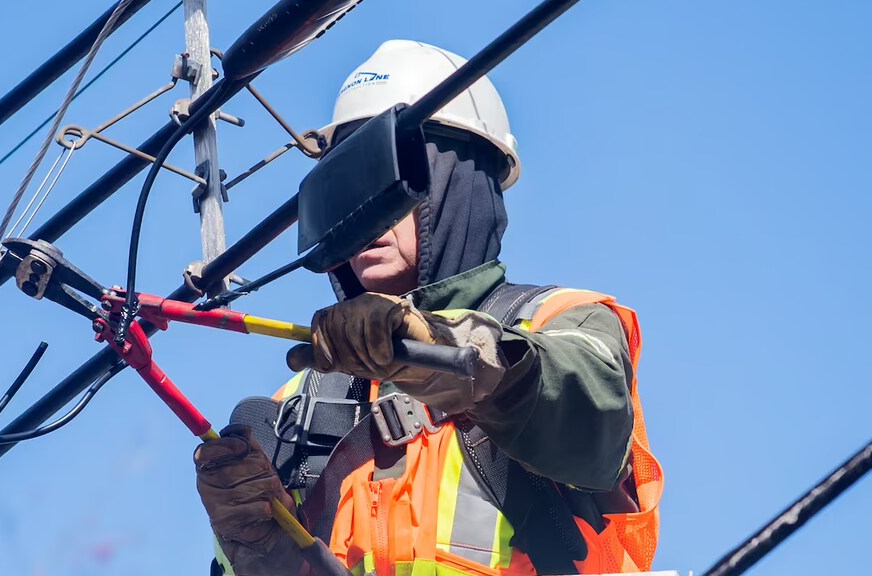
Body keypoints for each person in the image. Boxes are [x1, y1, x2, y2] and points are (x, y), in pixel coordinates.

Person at [194, 40, 663, 576]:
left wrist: (442, 351)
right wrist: (255, 549)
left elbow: (587, 423)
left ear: (453, 184)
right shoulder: (301, 403)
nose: (362, 217)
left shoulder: (560, 321)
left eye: (385, 185)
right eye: (346, 193)